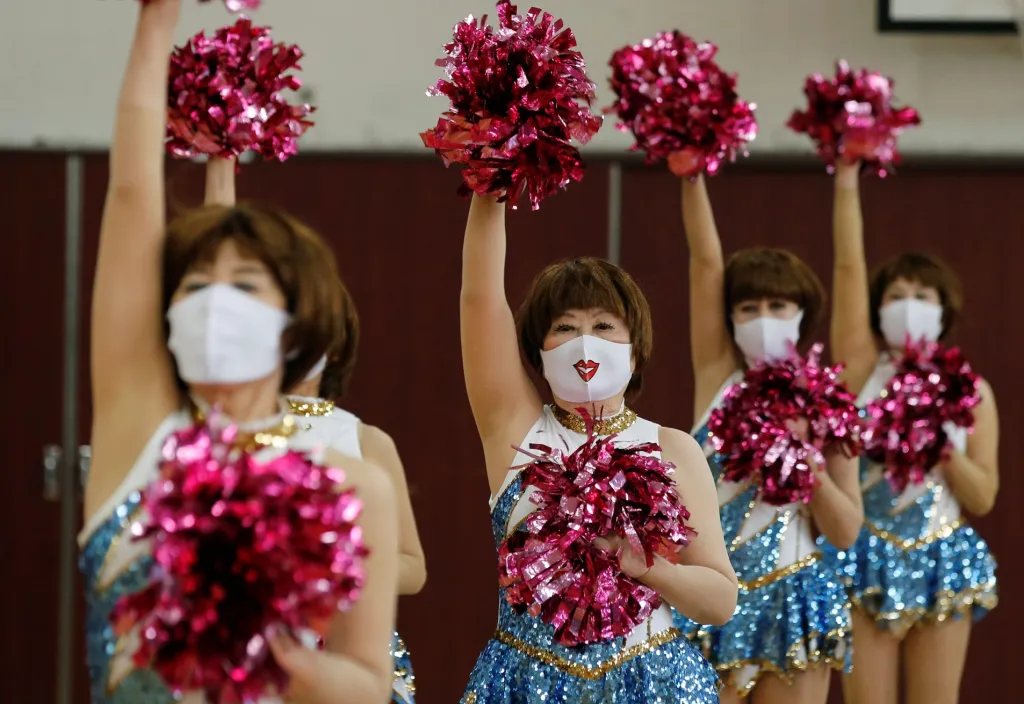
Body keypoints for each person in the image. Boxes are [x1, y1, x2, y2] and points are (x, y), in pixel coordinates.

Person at [79, 3, 398, 703]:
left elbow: (369, 686)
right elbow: (132, 194)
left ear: (294, 323)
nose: (214, 301)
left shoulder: (353, 486)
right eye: (195, 284)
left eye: (246, 283)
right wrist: (156, 21)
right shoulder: (140, 435)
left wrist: (278, 651)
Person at [458, 194, 736, 704]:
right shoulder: (515, 428)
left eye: (604, 326)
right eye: (565, 327)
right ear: (538, 352)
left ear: (636, 346)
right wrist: (487, 188)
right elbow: (480, 298)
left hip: (655, 686)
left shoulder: (673, 448)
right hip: (525, 684)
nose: (585, 343)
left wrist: (648, 566)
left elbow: (721, 601)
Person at [204, 156, 427, 704]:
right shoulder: (230, 421)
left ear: (336, 336)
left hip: (347, 657)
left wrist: (323, 568)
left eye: (314, 326)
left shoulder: (368, 441)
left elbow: (412, 568)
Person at [675, 175, 863, 704]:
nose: (763, 320)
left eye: (778, 307)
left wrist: (806, 461)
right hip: (711, 593)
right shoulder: (717, 377)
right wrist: (691, 175)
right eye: (748, 308)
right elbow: (705, 263)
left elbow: (846, 531)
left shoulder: (829, 404)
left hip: (794, 592)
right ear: (729, 318)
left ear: (801, 315)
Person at [826, 160, 999, 704]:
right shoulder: (860, 371)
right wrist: (847, 176)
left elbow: (984, 496)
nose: (909, 305)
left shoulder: (974, 392)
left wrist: (940, 445)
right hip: (867, 554)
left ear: (944, 311)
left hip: (941, 556)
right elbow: (848, 266)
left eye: (923, 296)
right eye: (896, 294)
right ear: (877, 311)